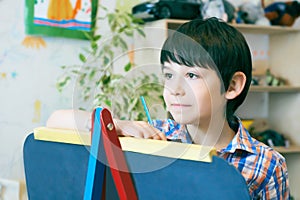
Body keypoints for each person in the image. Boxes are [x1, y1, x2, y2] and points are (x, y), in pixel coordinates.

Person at [47, 17, 289, 199]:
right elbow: (57, 120)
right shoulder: (156, 135)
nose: (175, 88)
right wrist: (117, 126)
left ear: (232, 85)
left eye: (192, 75)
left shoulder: (266, 163)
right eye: (169, 75)